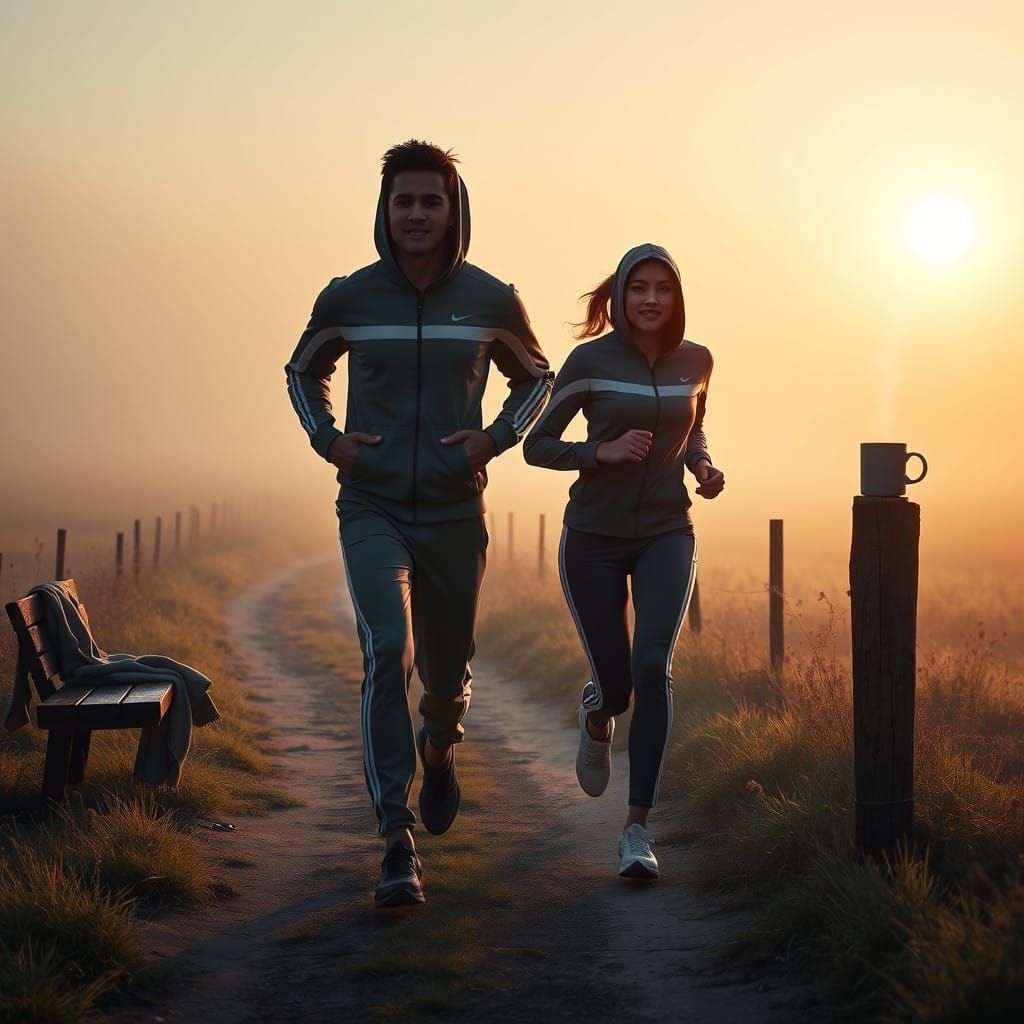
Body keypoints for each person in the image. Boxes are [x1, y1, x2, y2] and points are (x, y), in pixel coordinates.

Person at [285, 141, 553, 908]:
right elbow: (303, 369)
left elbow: (538, 378)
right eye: (403, 201)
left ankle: (439, 749)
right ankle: (396, 842)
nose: (416, 215)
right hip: (369, 506)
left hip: (453, 512)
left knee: (445, 677)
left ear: (452, 208)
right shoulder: (348, 297)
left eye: (430, 202)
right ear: (385, 209)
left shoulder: (491, 299)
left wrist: (494, 438)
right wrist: (329, 441)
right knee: (386, 648)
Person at [523, 243, 724, 880]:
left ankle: (636, 831)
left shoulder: (698, 360)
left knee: (653, 665)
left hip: (669, 530)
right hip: (593, 536)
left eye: (662, 287)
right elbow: (538, 446)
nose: (651, 298)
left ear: (676, 297)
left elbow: (692, 427)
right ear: (621, 296)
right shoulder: (588, 361)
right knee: (618, 687)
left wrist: (702, 466)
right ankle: (597, 710)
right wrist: (599, 453)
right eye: (639, 287)